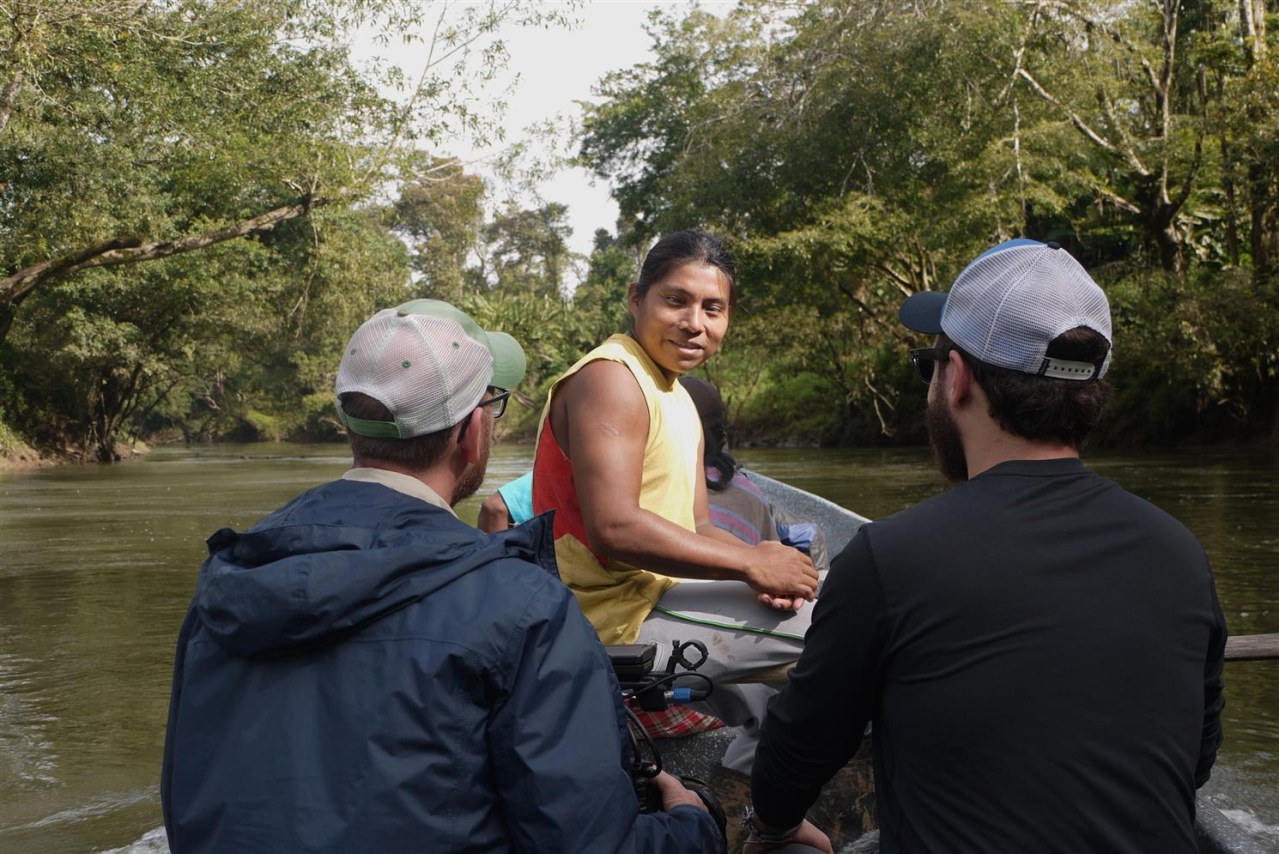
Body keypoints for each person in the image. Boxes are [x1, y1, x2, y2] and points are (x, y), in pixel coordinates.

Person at [160, 299, 724, 854]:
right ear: (473, 432)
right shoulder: (519, 604)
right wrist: (693, 824)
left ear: (350, 423)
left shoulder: (230, 575)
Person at [748, 239, 1228, 853]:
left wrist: (772, 828)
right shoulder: (1181, 554)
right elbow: (1195, 759)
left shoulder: (888, 558)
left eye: (929, 364)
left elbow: (796, 755)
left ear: (957, 379)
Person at [531, 229, 821, 775]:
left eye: (713, 308)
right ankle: (770, 799)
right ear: (635, 299)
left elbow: (699, 525)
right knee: (846, 634)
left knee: (835, 599)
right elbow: (615, 528)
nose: (694, 323)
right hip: (607, 618)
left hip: (655, 592)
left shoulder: (677, 394)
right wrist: (749, 563)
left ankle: (749, 791)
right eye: (675, 300)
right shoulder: (611, 379)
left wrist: (763, 567)